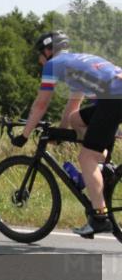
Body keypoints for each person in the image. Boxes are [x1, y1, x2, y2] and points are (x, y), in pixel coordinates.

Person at [12, 31, 122, 237]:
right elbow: (74, 105)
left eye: (40, 55)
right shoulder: (75, 63)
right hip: (115, 96)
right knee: (76, 120)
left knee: (85, 156)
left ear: (48, 51)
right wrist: (62, 131)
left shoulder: (53, 65)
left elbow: (41, 104)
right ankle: (102, 168)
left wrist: (24, 135)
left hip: (114, 99)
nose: (39, 60)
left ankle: (100, 217)